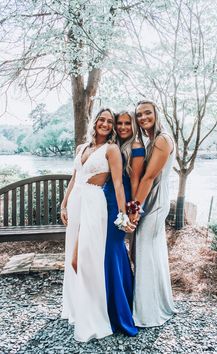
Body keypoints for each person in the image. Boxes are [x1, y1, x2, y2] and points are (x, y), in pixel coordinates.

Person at [60, 108, 135, 342]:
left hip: (94, 205)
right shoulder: (81, 148)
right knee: (71, 259)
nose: (104, 124)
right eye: (101, 119)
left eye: (109, 122)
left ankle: (95, 316)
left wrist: (124, 216)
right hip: (75, 204)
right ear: (94, 122)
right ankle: (78, 310)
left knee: (83, 260)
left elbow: (118, 184)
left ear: (112, 127)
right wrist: (63, 204)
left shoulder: (111, 150)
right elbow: (74, 177)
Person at [130, 100, 176, 327]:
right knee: (149, 252)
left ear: (157, 114)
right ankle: (157, 302)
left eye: (147, 112)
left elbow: (148, 178)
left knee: (145, 252)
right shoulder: (150, 140)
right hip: (150, 200)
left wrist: (134, 210)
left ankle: (148, 313)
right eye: (138, 114)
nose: (143, 117)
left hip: (155, 202)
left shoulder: (161, 140)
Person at [103, 111, 145, 336]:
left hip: (123, 202)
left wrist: (132, 212)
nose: (122, 126)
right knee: (111, 251)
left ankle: (121, 311)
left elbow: (136, 180)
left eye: (126, 123)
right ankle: (111, 305)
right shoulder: (114, 144)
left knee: (115, 249)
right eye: (118, 123)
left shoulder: (135, 146)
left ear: (133, 125)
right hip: (107, 199)